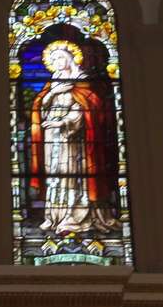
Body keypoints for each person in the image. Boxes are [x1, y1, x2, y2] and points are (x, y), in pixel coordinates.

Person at [29, 40, 118, 236]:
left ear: (70, 58)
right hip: (53, 138)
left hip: (77, 139)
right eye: (54, 59)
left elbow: (88, 107)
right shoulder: (52, 82)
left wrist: (63, 123)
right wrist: (52, 94)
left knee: (74, 174)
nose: (58, 62)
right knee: (56, 175)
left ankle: (75, 215)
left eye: (61, 57)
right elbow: (41, 106)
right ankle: (54, 216)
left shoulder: (82, 80)